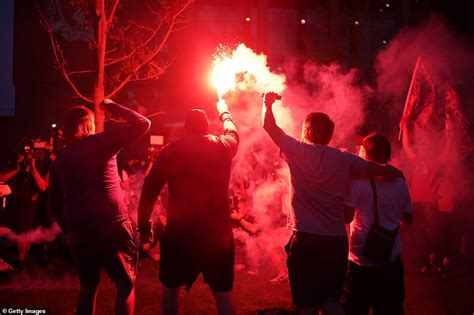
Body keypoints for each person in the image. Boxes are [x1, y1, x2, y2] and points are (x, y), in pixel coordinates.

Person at [262, 92, 403, 315]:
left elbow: (269, 126)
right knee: (331, 301)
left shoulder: (298, 151)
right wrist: (395, 172)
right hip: (336, 242)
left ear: (306, 130)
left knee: (306, 305)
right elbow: (375, 168)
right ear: (329, 135)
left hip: (307, 240)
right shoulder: (343, 159)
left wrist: (267, 104)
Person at [49, 99, 150, 315]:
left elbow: (55, 203)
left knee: (88, 286)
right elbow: (143, 123)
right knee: (125, 283)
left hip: (80, 231)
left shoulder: (60, 160)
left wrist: (69, 230)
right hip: (111, 225)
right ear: (88, 125)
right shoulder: (102, 142)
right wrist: (113, 106)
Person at [137, 100, 238, 315]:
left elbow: (149, 191)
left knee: (170, 288)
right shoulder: (223, 146)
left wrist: (144, 227)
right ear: (207, 126)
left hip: (180, 233)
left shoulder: (171, 151)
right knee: (223, 293)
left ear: (185, 128)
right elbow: (233, 132)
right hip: (217, 234)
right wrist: (225, 113)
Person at [342, 132, 413, 315]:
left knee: (354, 310)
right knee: (390, 310)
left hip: (360, 263)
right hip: (390, 260)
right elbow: (408, 219)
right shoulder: (400, 182)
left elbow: (347, 217)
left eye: (362, 149)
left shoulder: (358, 182)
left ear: (366, 154)